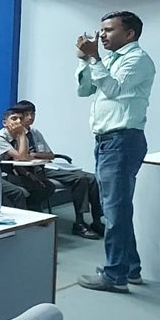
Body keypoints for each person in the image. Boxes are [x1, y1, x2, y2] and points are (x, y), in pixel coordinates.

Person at [74, 11, 155, 292]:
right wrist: (87, 60)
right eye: (101, 31)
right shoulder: (111, 59)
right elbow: (85, 90)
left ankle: (115, 276)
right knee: (118, 208)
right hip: (108, 142)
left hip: (122, 141)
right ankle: (128, 268)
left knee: (115, 210)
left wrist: (95, 58)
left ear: (129, 34)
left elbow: (112, 90)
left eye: (108, 30)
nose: (102, 36)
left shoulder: (137, 59)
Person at [16, 100, 104, 238]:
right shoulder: (15, 134)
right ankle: (79, 223)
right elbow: (20, 158)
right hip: (33, 171)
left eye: (33, 114)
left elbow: (50, 155)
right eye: (26, 114)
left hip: (47, 166)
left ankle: (97, 220)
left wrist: (34, 155)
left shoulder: (35, 133)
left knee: (91, 178)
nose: (30, 117)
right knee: (80, 179)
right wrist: (32, 157)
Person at [0, 107, 58, 210]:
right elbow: (22, 157)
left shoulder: (17, 136)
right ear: (5, 123)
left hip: (6, 169)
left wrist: (28, 174)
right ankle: (29, 213)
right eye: (14, 119)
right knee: (21, 191)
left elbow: (22, 158)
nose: (18, 122)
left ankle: (32, 208)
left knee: (47, 186)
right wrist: (22, 134)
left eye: (21, 119)